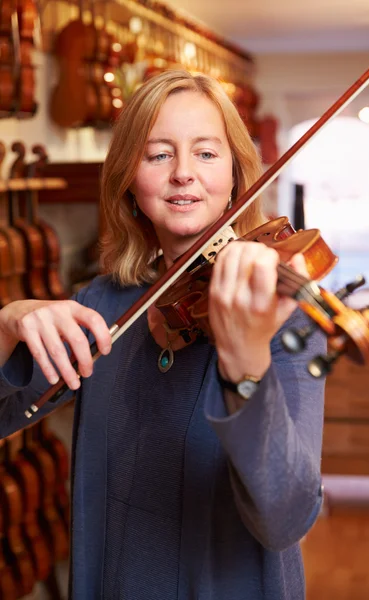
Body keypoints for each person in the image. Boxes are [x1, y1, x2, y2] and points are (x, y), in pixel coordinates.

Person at [0, 70, 326, 600]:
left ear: (239, 174)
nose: (183, 175)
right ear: (127, 175)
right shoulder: (99, 305)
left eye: (205, 153)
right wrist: (8, 321)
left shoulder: (281, 316)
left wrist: (245, 368)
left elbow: (284, 519)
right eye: (158, 155)